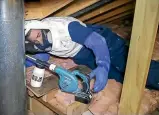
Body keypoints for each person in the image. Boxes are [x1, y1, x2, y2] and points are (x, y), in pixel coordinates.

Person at [24, 17, 159, 93]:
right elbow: (42, 55)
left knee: (134, 68)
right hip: (84, 54)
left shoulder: (66, 28)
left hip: (102, 41)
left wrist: (103, 65)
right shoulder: (39, 40)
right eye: (35, 41)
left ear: (39, 25)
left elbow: (97, 42)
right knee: (119, 77)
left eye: (38, 35)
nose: (40, 40)